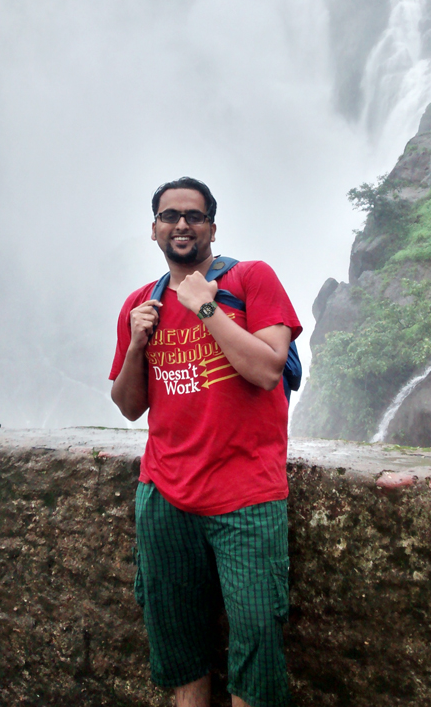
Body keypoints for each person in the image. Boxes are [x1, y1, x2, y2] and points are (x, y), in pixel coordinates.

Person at [110, 177, 302, 707]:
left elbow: (267, 370)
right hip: (164, 496)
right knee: (180, 650)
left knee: (257, 647)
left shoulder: (251, 279)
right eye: (169, 216)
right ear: (154, 230)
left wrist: (205, 308)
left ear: (212, 228)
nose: (181, 224)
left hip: (248, 496)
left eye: (194, 216)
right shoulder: (140, 304)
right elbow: (129, 406)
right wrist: (136, 344)